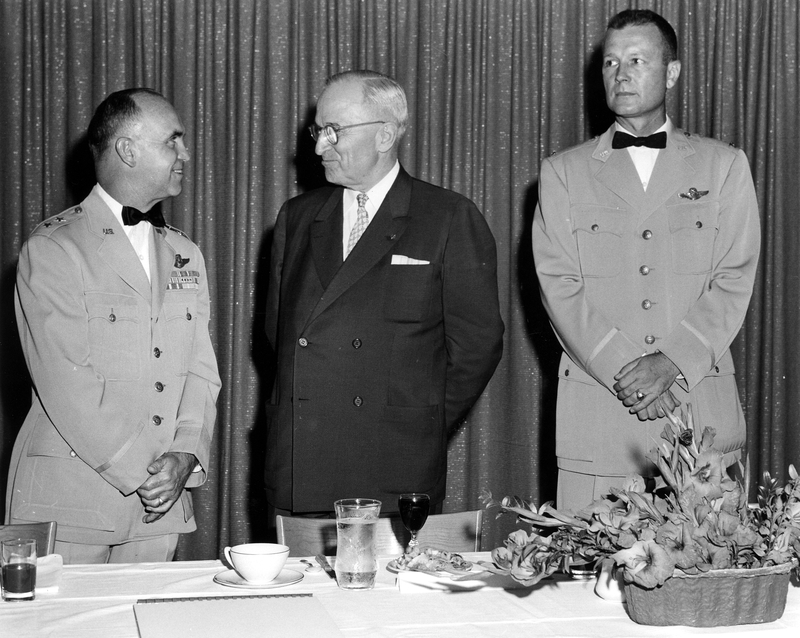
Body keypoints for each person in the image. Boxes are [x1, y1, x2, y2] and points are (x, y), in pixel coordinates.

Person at [532, 10, 760, 511]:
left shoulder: (724, 166)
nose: (621, 73)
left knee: (711, 582)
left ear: (672, 73)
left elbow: (733, 279)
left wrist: (672, 362)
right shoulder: (563, 173)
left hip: (700, 415)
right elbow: (559, 286)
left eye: (637, 59)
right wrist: (627, 372)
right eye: (611, 62)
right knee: (588, 581)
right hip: (602, 415)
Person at [265, 70, 504, 516]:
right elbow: (277, 335)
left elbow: (477, 346)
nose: (319, 145)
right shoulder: (297, 217)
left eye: (334, 131)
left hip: (394, 463)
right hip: (303, 458)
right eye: (319, 130)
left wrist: (419, 421)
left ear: (385, 136)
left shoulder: (448, 217)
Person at [5, 88, 221, 563]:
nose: (184, 153)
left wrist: (186, 455)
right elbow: (66, 381)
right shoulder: (55, 248)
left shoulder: (186, 252)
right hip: (72, 502)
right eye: (173, 141)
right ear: (127, 149)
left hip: (158, 507)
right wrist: (145, 471)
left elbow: (201, 372)